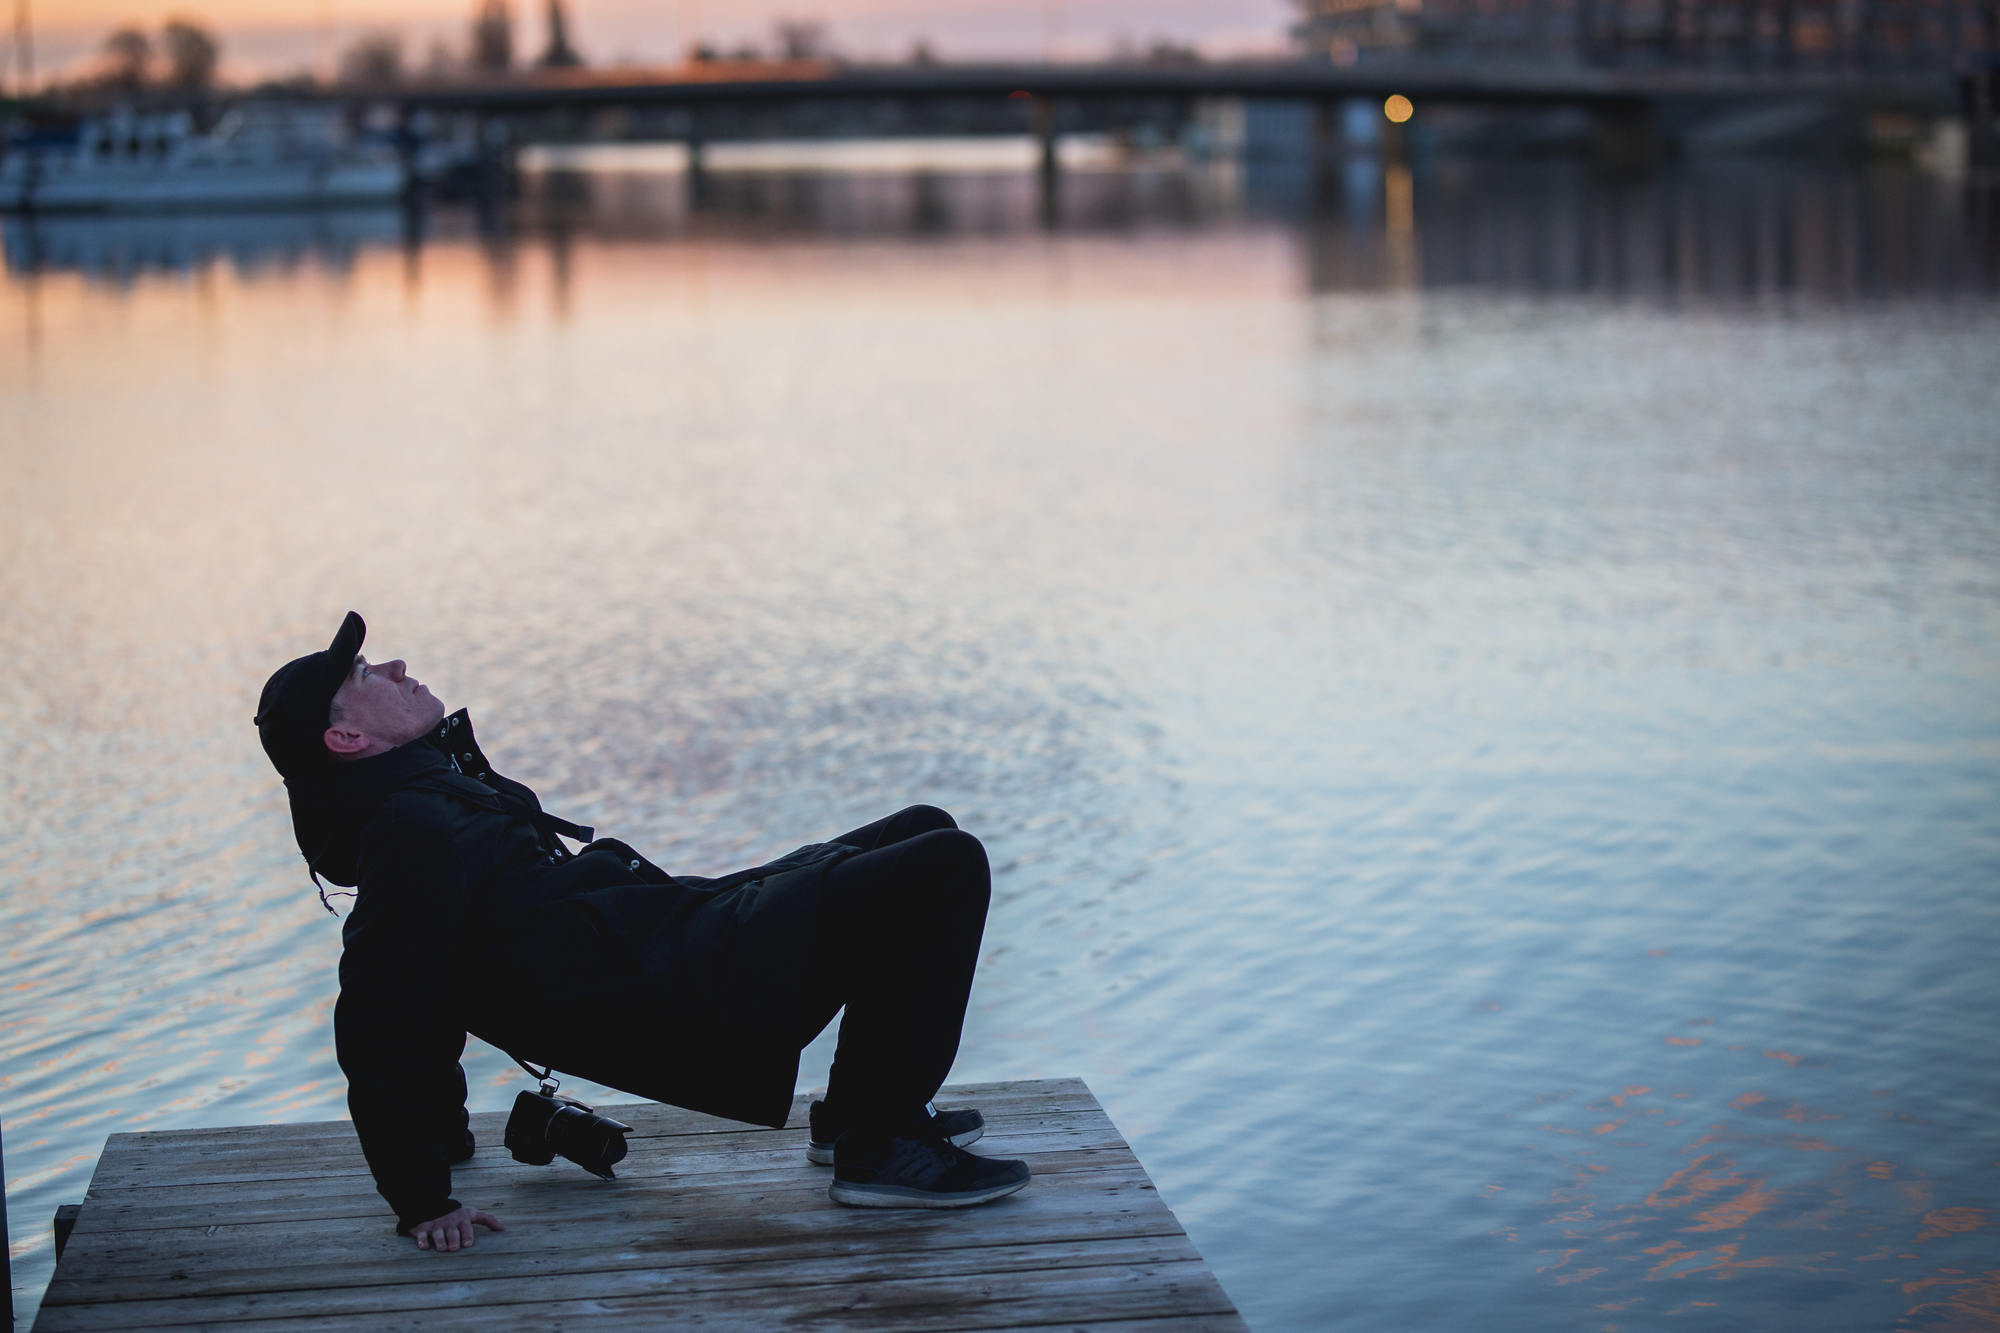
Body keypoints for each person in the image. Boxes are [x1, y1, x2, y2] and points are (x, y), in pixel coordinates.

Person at [254, 612, 1029, 1252]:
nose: (391, 665)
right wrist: (422, 1196)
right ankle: (880, 1148)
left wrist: (450, 1134)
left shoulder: (426, 793)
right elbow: (389, 1014)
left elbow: (434, 979)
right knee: (946, 866)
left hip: (660, 935)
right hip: (673, 988)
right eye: (362, 677)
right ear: (347, 740)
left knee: (922, 829)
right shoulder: (409, 829)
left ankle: (859, 1113)